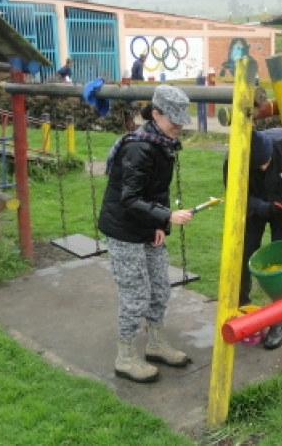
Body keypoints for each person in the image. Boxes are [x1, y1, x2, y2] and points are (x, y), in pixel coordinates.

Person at [98, 84, 194, 383]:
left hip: (146, 226)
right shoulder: (139, 147)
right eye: (173, 120)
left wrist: (158, 226)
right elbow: (130, 198)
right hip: (124, 229)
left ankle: (155, 343)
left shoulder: (163, 142)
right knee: (136, 295)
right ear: (156, 114)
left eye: (181, 120)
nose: (179, 125)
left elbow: (156, 191)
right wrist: (167, 216)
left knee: (159, 289)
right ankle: (125, 357)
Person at [223, 128, 282, 350]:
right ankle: (240, 306)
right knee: (243, 254)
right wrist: (261, 207)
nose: (264, 167)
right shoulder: (234, 160)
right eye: (258, 165)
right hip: (252, 209)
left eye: (267, 161)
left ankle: (279, 319)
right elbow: (236, 197)